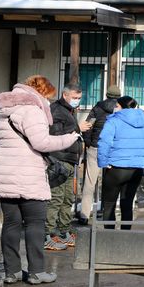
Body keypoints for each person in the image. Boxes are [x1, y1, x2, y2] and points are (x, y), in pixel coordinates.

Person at [0, 75, 80, 285]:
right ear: (41, 92)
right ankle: (37, 272)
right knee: (35, 224)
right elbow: (41, 142)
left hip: (5, 173)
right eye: (48, 95)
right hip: (28, 173)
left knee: (11, 224)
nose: (49, 100)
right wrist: (70, 138)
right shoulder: (32, 109)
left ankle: (11, 272)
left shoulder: (5, 112)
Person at [97, 96, 144, 230]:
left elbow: (104, 142)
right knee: (127, 204)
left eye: (116, 105)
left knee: (109, 204)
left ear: (120, 106)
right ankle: (126, 237)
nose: (115, 108)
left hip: (115, 168)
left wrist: (103, 162)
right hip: (136, 169)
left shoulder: (113, 121)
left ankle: (108, 239)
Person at [45, 83, 92, 250]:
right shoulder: (56, 110)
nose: (77, 101)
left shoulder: (68, 110)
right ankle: (48, 234)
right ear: (65, 95)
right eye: (75, 98)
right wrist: (78, 128)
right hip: (59, 159)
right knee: (56, 198)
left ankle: (64, 231)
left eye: (79, 98)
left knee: (67, 199)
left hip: (70, 159)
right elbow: (55, 135)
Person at [79, 84, 121, 225]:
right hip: (113, 150)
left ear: (107, 94)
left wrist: (89, 142)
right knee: (111, 183)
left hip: (96, 147)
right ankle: (107, 213)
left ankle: (84, 214)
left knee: (90, 182)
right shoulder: (121, 109)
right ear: (119, 95)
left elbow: (88, 126)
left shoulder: (98, 108)